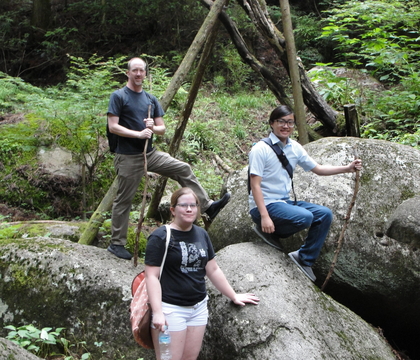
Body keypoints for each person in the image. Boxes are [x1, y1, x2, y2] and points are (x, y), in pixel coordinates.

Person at [107, 57, 230, 260]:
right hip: (128, 156)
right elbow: (113, 126)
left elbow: (162, 128)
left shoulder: (150, 99)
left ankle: (207, 206)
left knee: (182, 168)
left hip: (150, 154)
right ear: (128, 73)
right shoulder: (119, 96)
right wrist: (138, 134)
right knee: (124, 200)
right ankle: (116, 244)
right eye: (134, 70)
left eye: (142, 71)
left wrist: (151, 128)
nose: (138, 74)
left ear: (146, 74)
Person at [248, 105, 362, 282]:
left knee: (324, 215)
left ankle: (304, 258)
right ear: (272, 123)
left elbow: (318, 169)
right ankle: (271, 232)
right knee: (305, 217)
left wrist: (347, 168)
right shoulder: (260, 150)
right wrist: (264, 216)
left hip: (284, 202)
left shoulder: (295, 148)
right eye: (281, 122)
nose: (286, 126)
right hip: (264, 205)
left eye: (290, 122)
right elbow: (255, 185)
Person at [145, 187, 259, 360]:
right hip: (171, 309)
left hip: (198, 308)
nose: (189, 209)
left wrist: (233, 295)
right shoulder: (161, 236)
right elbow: (151, 276)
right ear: (173, 209)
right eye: (184, 205)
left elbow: (212, 269)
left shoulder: (201, 234)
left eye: (193, 205)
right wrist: (158, 312)